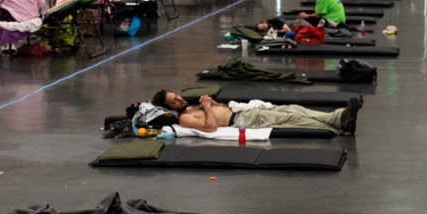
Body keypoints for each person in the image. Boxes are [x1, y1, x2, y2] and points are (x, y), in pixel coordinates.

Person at [153, 90, 357, 135]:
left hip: (245, 111)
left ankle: (338, 117)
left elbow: (218, 110)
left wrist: (212, 103)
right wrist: (207, 108)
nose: (179, 98)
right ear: (170, 107)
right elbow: (211, 127)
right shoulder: (185, 118)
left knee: (295, 109)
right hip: (242, 120)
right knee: (291, 118)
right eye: (174, 100)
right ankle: (335, 125)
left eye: (176, 95)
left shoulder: (192, 107)